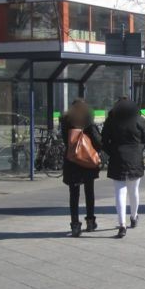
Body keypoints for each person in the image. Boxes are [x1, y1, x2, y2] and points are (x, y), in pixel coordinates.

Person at [102, 97, 145, 238]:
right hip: (135, 158)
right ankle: (133, 218)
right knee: (134, 191)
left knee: (119, 193)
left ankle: (122, 225)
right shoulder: (139, 120)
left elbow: (104, 140)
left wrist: (113, 152)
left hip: (118, 158)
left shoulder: (112, 120)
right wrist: (138, 149)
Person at [60, 99, 102, 237]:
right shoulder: (88, 120)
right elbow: (97, 141)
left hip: (72, 162)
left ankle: (75, 226)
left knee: (74, 195)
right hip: (87, 162)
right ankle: (90, 222)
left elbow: (65, 141)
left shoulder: (66, 121)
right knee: (89, 192)